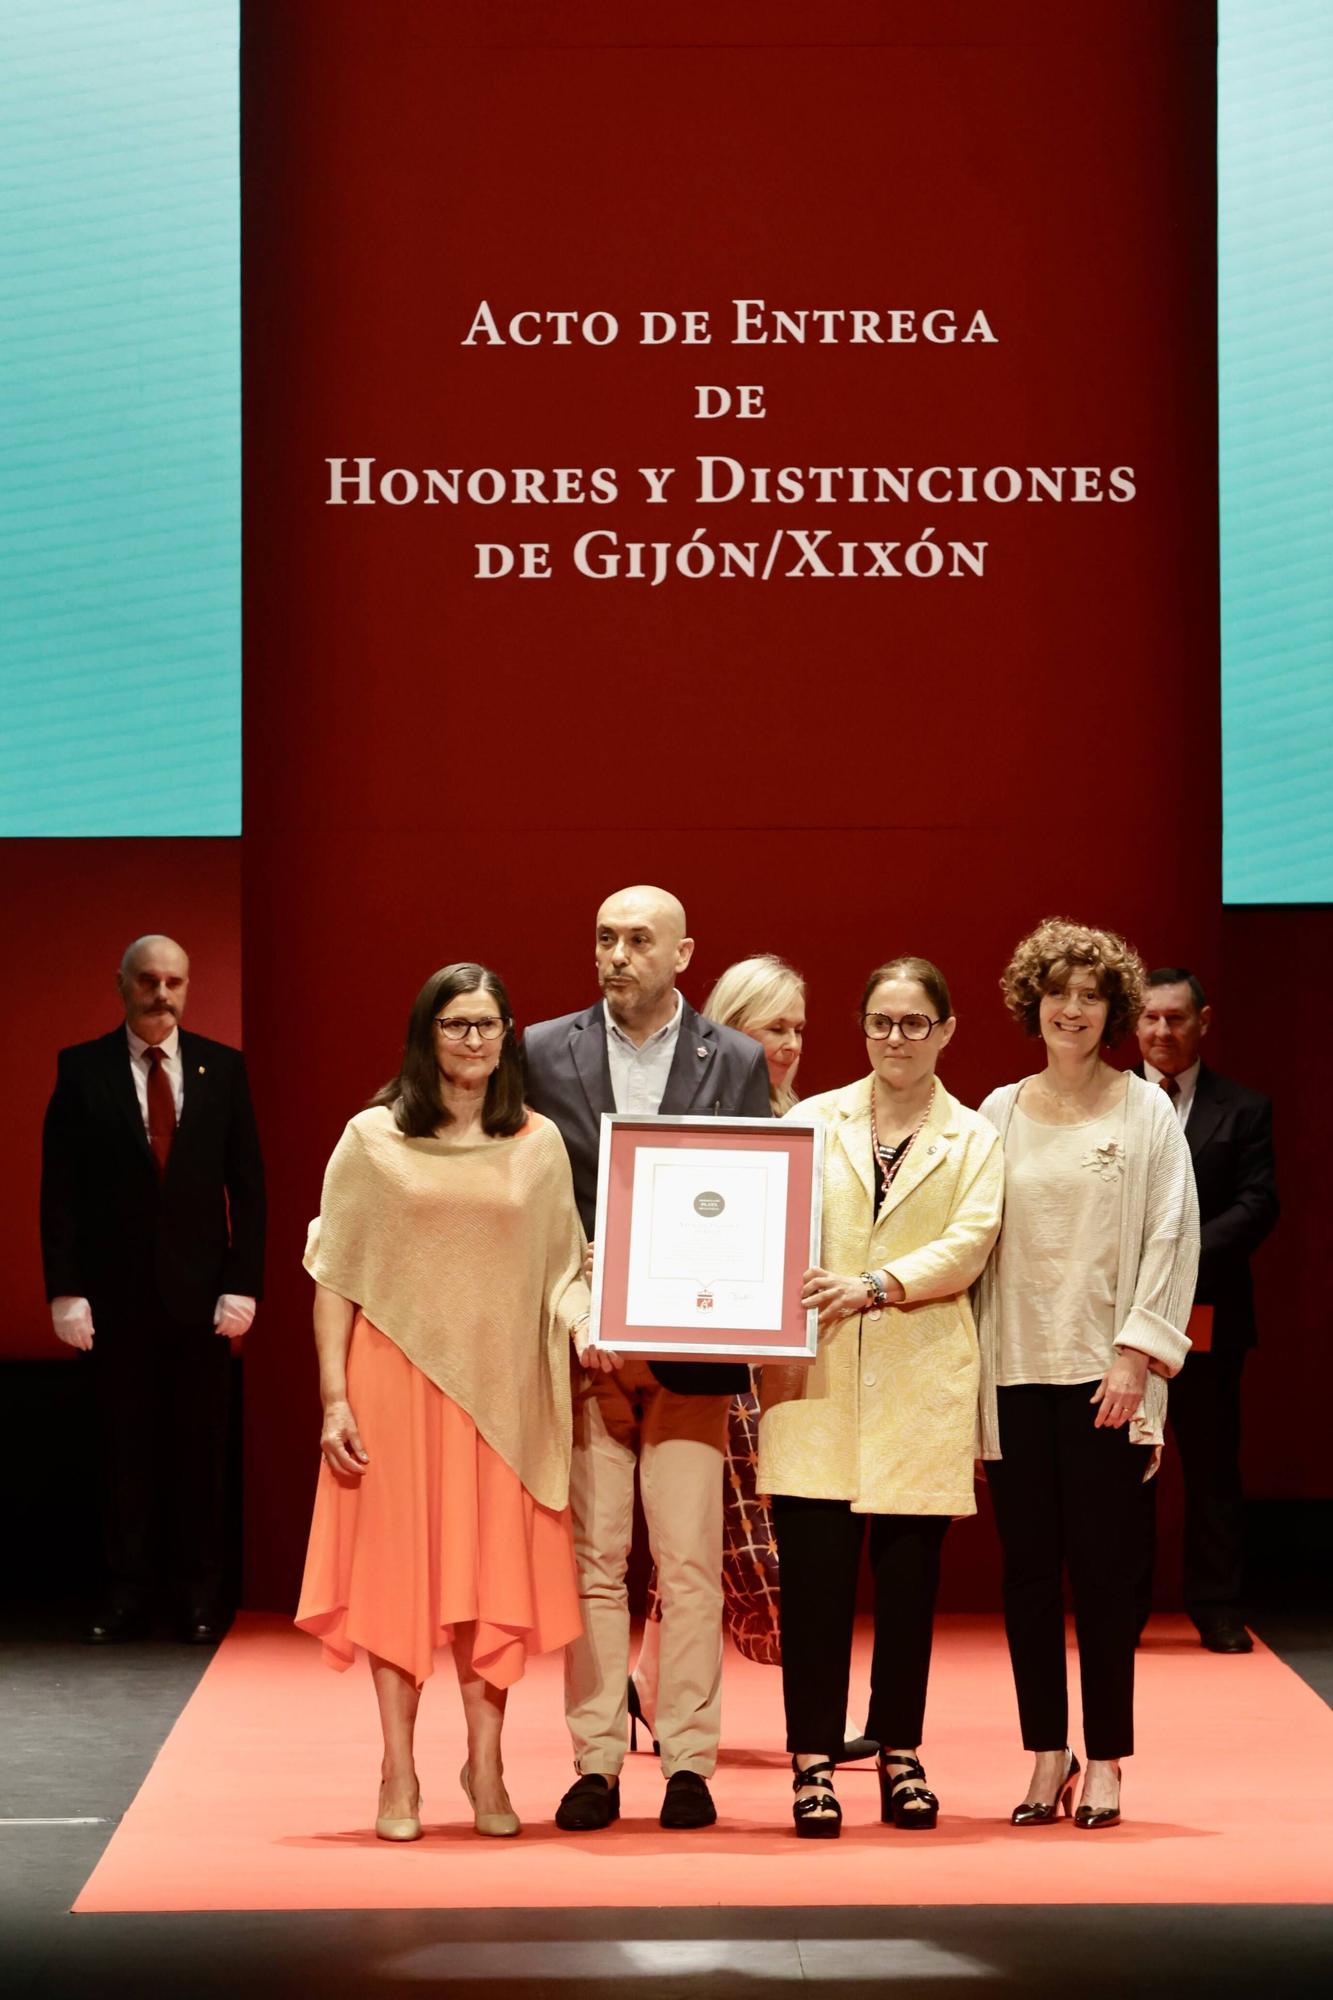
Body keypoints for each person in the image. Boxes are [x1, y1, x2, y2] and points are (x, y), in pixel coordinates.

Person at [295, 963, 590, 1841]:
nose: (472, 1040)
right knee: (400, 1577)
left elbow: (564, 1273)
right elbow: (333, 1277)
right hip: (394, 1384)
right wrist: (334, 1399)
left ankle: (486, 1763)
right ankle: (397, 1769)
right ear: (426, 1036)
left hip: (502, 1390)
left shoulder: (537, 1143)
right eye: (455, 1025)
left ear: (508, 1035)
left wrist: (589, 1327)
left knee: (488, 1579)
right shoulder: (371, 1139)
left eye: (487, 1025)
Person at [523, 886, 772, 1831]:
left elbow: (751, 1198)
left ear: (682, 955)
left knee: (689, 1564)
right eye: (603, 938)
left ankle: (688, 1766)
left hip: (691, 1350)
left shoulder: (735, 1058)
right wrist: (576, 1303)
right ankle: (593, 1761)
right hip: (583, 1347)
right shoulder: (543, 1050)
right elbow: (534, 1198)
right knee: (592, 1564)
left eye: (637, 940)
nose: (616, 954)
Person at [757, 956, 1004, 1838]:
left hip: (920, 1381)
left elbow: (970, 1244)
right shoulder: (812, 1122)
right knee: (815, 1587)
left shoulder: (973, 1137)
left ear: (945, 1030)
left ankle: (900, 1751)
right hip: (815, 1383)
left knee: (907, 1588)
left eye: (913, 1023)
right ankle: (812, 1761)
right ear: (860, 1029)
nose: (895, 1038)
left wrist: (878, 1284)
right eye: (879, 1022)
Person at [974, 919, 1198, 1831]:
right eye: (1057, 992)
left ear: (1110, 1010)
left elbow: (1171, 1236)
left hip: (1107, 1377)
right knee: (1027, 1577)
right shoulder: (995, 1111)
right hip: (1011, 1374)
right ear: (1033, 1000)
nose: (1071, 1009)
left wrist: (1135, 1355)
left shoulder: (1142, 1108)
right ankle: (1044, 1752)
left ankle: (1104, 1758)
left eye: (1089, 995)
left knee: (1105, 1577)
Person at [40, 934, 266, 1645]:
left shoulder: (223, 1069)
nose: (161, 994)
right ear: (122, 985)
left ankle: (201, 1597)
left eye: (174, 981)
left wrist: (243, 1284)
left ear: (187, 986)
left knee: (201, 1454)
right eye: (148, 981)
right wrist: (64, 1290)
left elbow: (249, 1188)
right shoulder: (80, 1071)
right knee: (122, 1454)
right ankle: (126, 1593)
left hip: (202, 1303)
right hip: (113, 1303)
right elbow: (60, 1192)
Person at [630, 955, 805, 1744]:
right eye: (776, 1027)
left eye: (800, 1027)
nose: (793, 1043)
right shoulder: (710, 1123)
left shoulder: (801, 1117)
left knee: (694, 1544)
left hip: (784, 1366)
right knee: (725, 1544)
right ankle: (811, 1712)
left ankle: (649, 1690)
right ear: (735, 1030)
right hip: (715, 1365)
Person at [1135, 969, 1278, 1652]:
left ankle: (1217, 1606)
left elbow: (1257, 1206)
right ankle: (1120, 1609)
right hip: (1118, 1317)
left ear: (1202, 1021)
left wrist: (1177, 1256)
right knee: (1121, 1468)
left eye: (1175, 1018)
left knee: (1211, 1466)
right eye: (1149, 1019)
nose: (1162, 1032)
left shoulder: (1243, 1107)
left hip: (1207, 1312)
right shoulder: (1106, 1101)